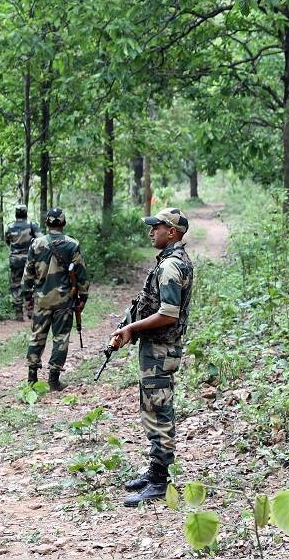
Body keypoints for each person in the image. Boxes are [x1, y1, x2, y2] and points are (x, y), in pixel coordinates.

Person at [107, 207, 194, 507]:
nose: (151, 232)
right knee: (153, 407)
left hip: (160, 349)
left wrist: (132, 328)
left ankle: (159, 481)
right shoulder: (170, 261)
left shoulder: (171, 266)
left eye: (156, 227)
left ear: (171, 232)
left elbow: (168, 314)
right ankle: (156, 470)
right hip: (156, 349)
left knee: (158, 410)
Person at [22, 207, 87, 391]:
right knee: (61, 338)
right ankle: (53, 379)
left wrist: (27, 296)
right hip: (63, 300)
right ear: (63, 223)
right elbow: (81, 273)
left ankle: (32, 377)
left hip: (41, 300)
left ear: (47, 223)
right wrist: (83, 297)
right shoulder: (72, 244)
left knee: (37, 336)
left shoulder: (36, 244)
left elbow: (28, 273)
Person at [4, 204, 40, 320]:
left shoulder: (9, 227)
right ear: (25, 213)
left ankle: (18, 312)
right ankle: (30, 310)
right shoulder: (32, 225)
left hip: (15, 260)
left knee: (16, 285)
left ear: (16, 213)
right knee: (31, 283)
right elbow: (40, 240)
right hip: (29, 260)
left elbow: (8, 242)